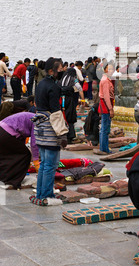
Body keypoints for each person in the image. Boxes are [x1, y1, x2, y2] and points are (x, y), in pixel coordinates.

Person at [30, 57, 67, 206]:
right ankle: (46, 194)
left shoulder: (40, 84)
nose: (62, 71)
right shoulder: (54, 86)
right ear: (51, 71)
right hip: (50, 127)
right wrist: (62, 134)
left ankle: (40, 193)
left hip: (40, 127)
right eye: (59, 69)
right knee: (50, 165)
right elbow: (56, 112)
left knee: (44, 163)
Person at [0, 111, 40, 189]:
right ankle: (12, 181)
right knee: (26, 155)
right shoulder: (38, 121)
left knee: (7, 155)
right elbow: (34, 143)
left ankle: (4, 177)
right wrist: (36, 161)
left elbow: (20, 139)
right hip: (6, 133)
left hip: (2, 131)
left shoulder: (31, 116)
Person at [59, 67, 84, 143]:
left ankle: (62, 135)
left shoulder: (63, 78)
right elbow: (79, 88)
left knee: (63, 116)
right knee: (70, 116)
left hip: (61, 99)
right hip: (69, 100)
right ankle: (70, 136)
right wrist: (83, 99)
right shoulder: (73, 79)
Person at [99, 62, 115, 153]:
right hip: (106, 105)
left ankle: (103, 147)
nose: (112, 71)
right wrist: (110, 109)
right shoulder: (105, 80)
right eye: (110, 69)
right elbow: (106, 96)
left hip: (105, 105)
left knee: (104, 128)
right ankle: (104, 148)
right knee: (105, 128)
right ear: (105, 70)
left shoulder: (107, 79)